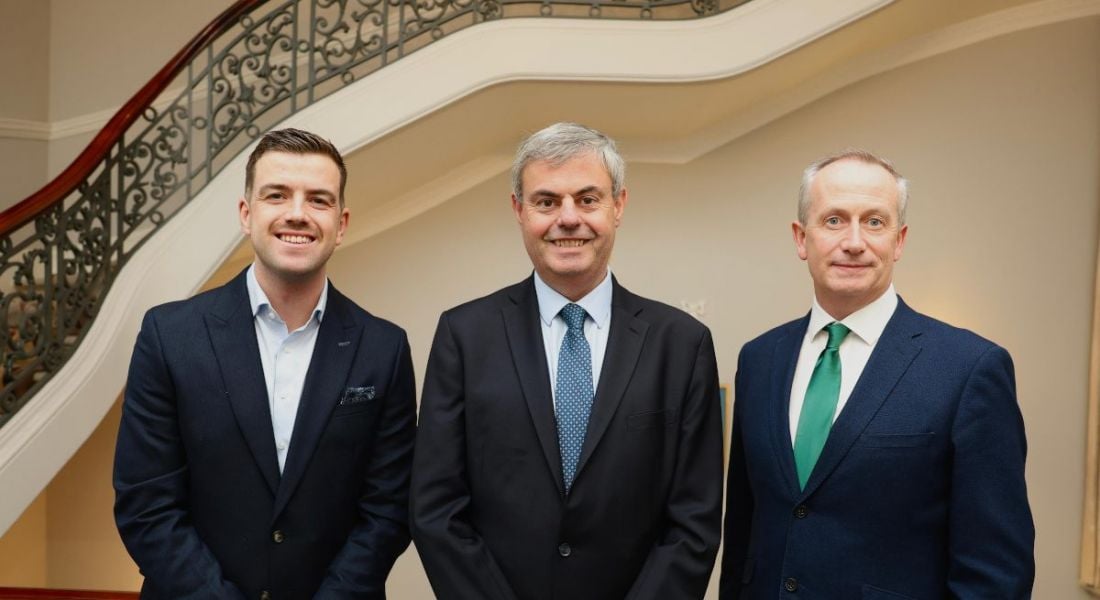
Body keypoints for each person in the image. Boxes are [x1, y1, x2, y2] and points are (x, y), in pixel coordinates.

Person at [410, 122, 723, 599]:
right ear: (519, 209)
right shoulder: (464, 336)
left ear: (619, 206)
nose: (568, 218)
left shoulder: (681, 344)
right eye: (546, 201)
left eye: (588, 198)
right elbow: (436, 510)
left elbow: (694, 520)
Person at [114, 128, 416, 599]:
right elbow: (146, 506)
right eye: (277, 195)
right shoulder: (169, 336)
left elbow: (388, 511)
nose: (297, 213)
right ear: (246, 213)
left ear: (342, 223)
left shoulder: (385, 348)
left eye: (319, 200)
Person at [720, 150, 1035, 599]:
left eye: (874, 222)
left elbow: (996, 573)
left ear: (899, 240)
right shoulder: (760, 359)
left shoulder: (969, 369)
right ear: (800, 238)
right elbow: (745, 533)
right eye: (833, 220)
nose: (853, 241)